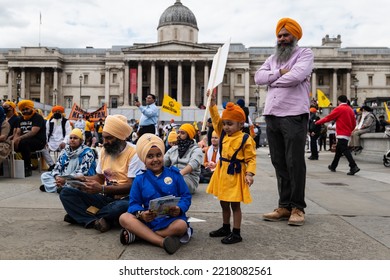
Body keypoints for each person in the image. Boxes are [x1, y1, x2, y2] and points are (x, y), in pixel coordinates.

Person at [254, 17, 314, 226]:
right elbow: (258, 78)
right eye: (279, 35)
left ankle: (298, 207)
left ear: (295, 36)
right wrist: (279, 73)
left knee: (294, 161)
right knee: (278, 161)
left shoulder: (304, 54)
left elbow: (296, 77)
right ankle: (284, 205)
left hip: (294, 114)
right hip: (272, 114)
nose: (282, 39)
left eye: (286, 35)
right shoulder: (273, 59)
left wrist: (272, 81)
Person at [59, 114, 144, 233]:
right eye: (104, 138)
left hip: (124, 199)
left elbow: (133, 186)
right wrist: (78, 180)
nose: (105, 142)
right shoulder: (105, 150)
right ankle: (96, 220)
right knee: (66, 193)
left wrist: (102, 189)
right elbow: (99, 177)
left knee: (119, 207)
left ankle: (81, 215)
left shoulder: (134, 153)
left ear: (120, 138)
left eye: (109, 138)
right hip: (105, 197)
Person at [118, 133, 192, 255]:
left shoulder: (174, 174)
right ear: (143, 159)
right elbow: (134, 203)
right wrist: (141, 214)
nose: (155, 159)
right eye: (150, 156)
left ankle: (140, 235)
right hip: (150, 220)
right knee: (124, 217)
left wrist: (179, 209)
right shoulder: (139, 179)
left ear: (163, 155)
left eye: (158, 155)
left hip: (171, 220)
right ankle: (162, 242)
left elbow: (186, 196)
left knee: (181, 226)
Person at [206, 96, 256, 244]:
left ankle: (236, 232)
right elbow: (216, 120)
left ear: (240, 124)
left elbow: (251, 158)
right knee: (223, 202)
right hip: (222, 172)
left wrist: (249, 174)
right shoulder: (223, 133)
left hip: (235, 173)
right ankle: (225, 227)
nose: (226, 127)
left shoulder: (245, 138)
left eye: (230, 124)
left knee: (235, 204)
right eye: (225, 123)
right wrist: (213, 105)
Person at [39, 128, 97, 193]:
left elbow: (82, 172)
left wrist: (65, 179)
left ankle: (54, 187)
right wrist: (57, 177)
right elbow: (57, 167)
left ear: (81, 141)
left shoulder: (88, 152)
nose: (72, 140)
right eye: (71, 138)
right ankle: (61, 187)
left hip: (79, 178)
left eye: (75, 138)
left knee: (80, 183)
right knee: (45, 175)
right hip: (64, 176)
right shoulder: (64, 151)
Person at [315, 95, 360, 175]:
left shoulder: (339, 108)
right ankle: (333, 166)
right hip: (347, 133)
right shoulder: (350, 109)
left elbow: (328, 117)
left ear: (339, 101)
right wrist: (350, 130)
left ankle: (353, 166)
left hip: (341, 132)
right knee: (339, 151)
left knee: (344, 149)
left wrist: (318, 122)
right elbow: (354, 123)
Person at [164, 123, 203, 194]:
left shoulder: (196, 150)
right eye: (178, 132)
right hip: (172, 177)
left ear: (189, 135)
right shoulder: (173, 149)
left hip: (189, 179)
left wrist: (178, 175)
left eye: (182, 133)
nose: (178, 135)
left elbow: (193, 164)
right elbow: (163, 163)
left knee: (174, 183)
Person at [13, 100, 46, 177]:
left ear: (31, 108)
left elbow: (33, 132)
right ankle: (15, 168)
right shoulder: (20, 119)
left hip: (38, 141)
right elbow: (18, 132)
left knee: (24, 143)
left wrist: (19, 138)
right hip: (23, 140)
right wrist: (14, 141)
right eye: (23, 110)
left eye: (26, 109)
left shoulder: (38, 117)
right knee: (14, 145)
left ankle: (28, 168)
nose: (25, 111)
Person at [41, 105, 72, 171]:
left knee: (67, 148)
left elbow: (68, 133)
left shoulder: (66, 121)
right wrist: (46, 142)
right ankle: (52, 165)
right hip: (51, 142)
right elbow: (46, 132)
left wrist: (64, 142)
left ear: (62, 113)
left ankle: (60, 164)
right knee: (43, 148)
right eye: (56, 112)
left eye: (59, 111)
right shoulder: (49, 121)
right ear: (53, 113)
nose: (57, 113)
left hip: (62, 141)